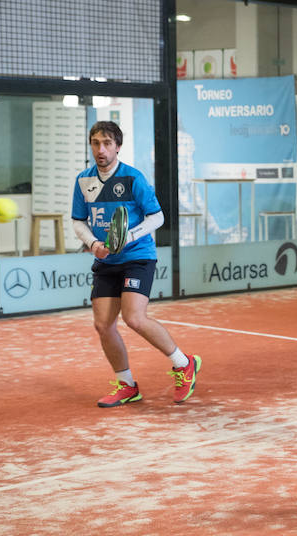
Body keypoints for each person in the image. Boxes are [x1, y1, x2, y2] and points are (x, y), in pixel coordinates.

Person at [71, 121, 201, 407]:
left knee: (134, 318)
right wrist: (94, 244)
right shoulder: (84, 180)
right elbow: (78, 220)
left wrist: (127, 237)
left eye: (106, 143)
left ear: (118, 146)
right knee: (103, 325)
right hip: (105, 259)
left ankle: (184, 363)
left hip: (138, 256)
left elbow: (157, 217)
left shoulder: (134, 178)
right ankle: (127, 385)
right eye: (95, 143)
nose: (100, 149)